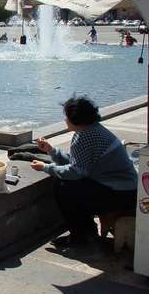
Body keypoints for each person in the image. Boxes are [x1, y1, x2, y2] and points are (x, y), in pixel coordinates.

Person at [31, 96, 137, 247]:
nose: (65, 120)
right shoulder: (93, 129)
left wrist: (46, 168)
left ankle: (80, 235)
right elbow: (79, 162)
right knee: (70, 183)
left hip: (120, 194)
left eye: (66, 116)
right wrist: (51, 150)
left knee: (62, 186)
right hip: (127, 190)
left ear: (76, 119)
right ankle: (86, 230)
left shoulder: (84, 136)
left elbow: (76, 171)